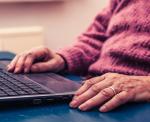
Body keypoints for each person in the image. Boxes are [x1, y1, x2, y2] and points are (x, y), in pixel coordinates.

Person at [7, 0, 150, 112]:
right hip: (91, 88)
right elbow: (95, 38)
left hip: (136, 104)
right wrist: (62, 58)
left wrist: (146, 84)